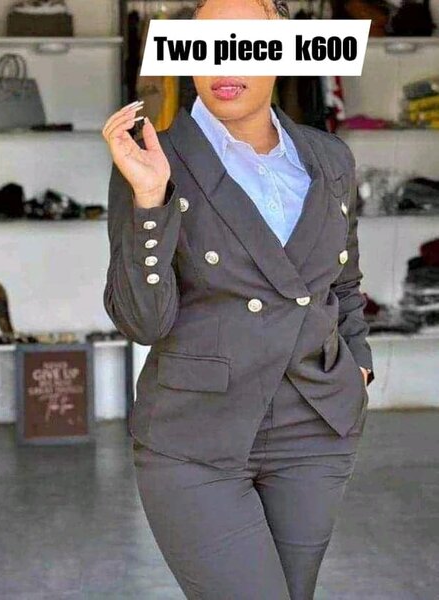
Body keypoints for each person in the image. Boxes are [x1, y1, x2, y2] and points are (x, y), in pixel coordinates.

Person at [102, 1, 374, 598]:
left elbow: (343, 284)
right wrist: (150, 200)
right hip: (194, 437)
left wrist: (358, 365)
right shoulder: (152, 159)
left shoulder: (330, 158)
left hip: (314, 429)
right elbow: (142, 322)